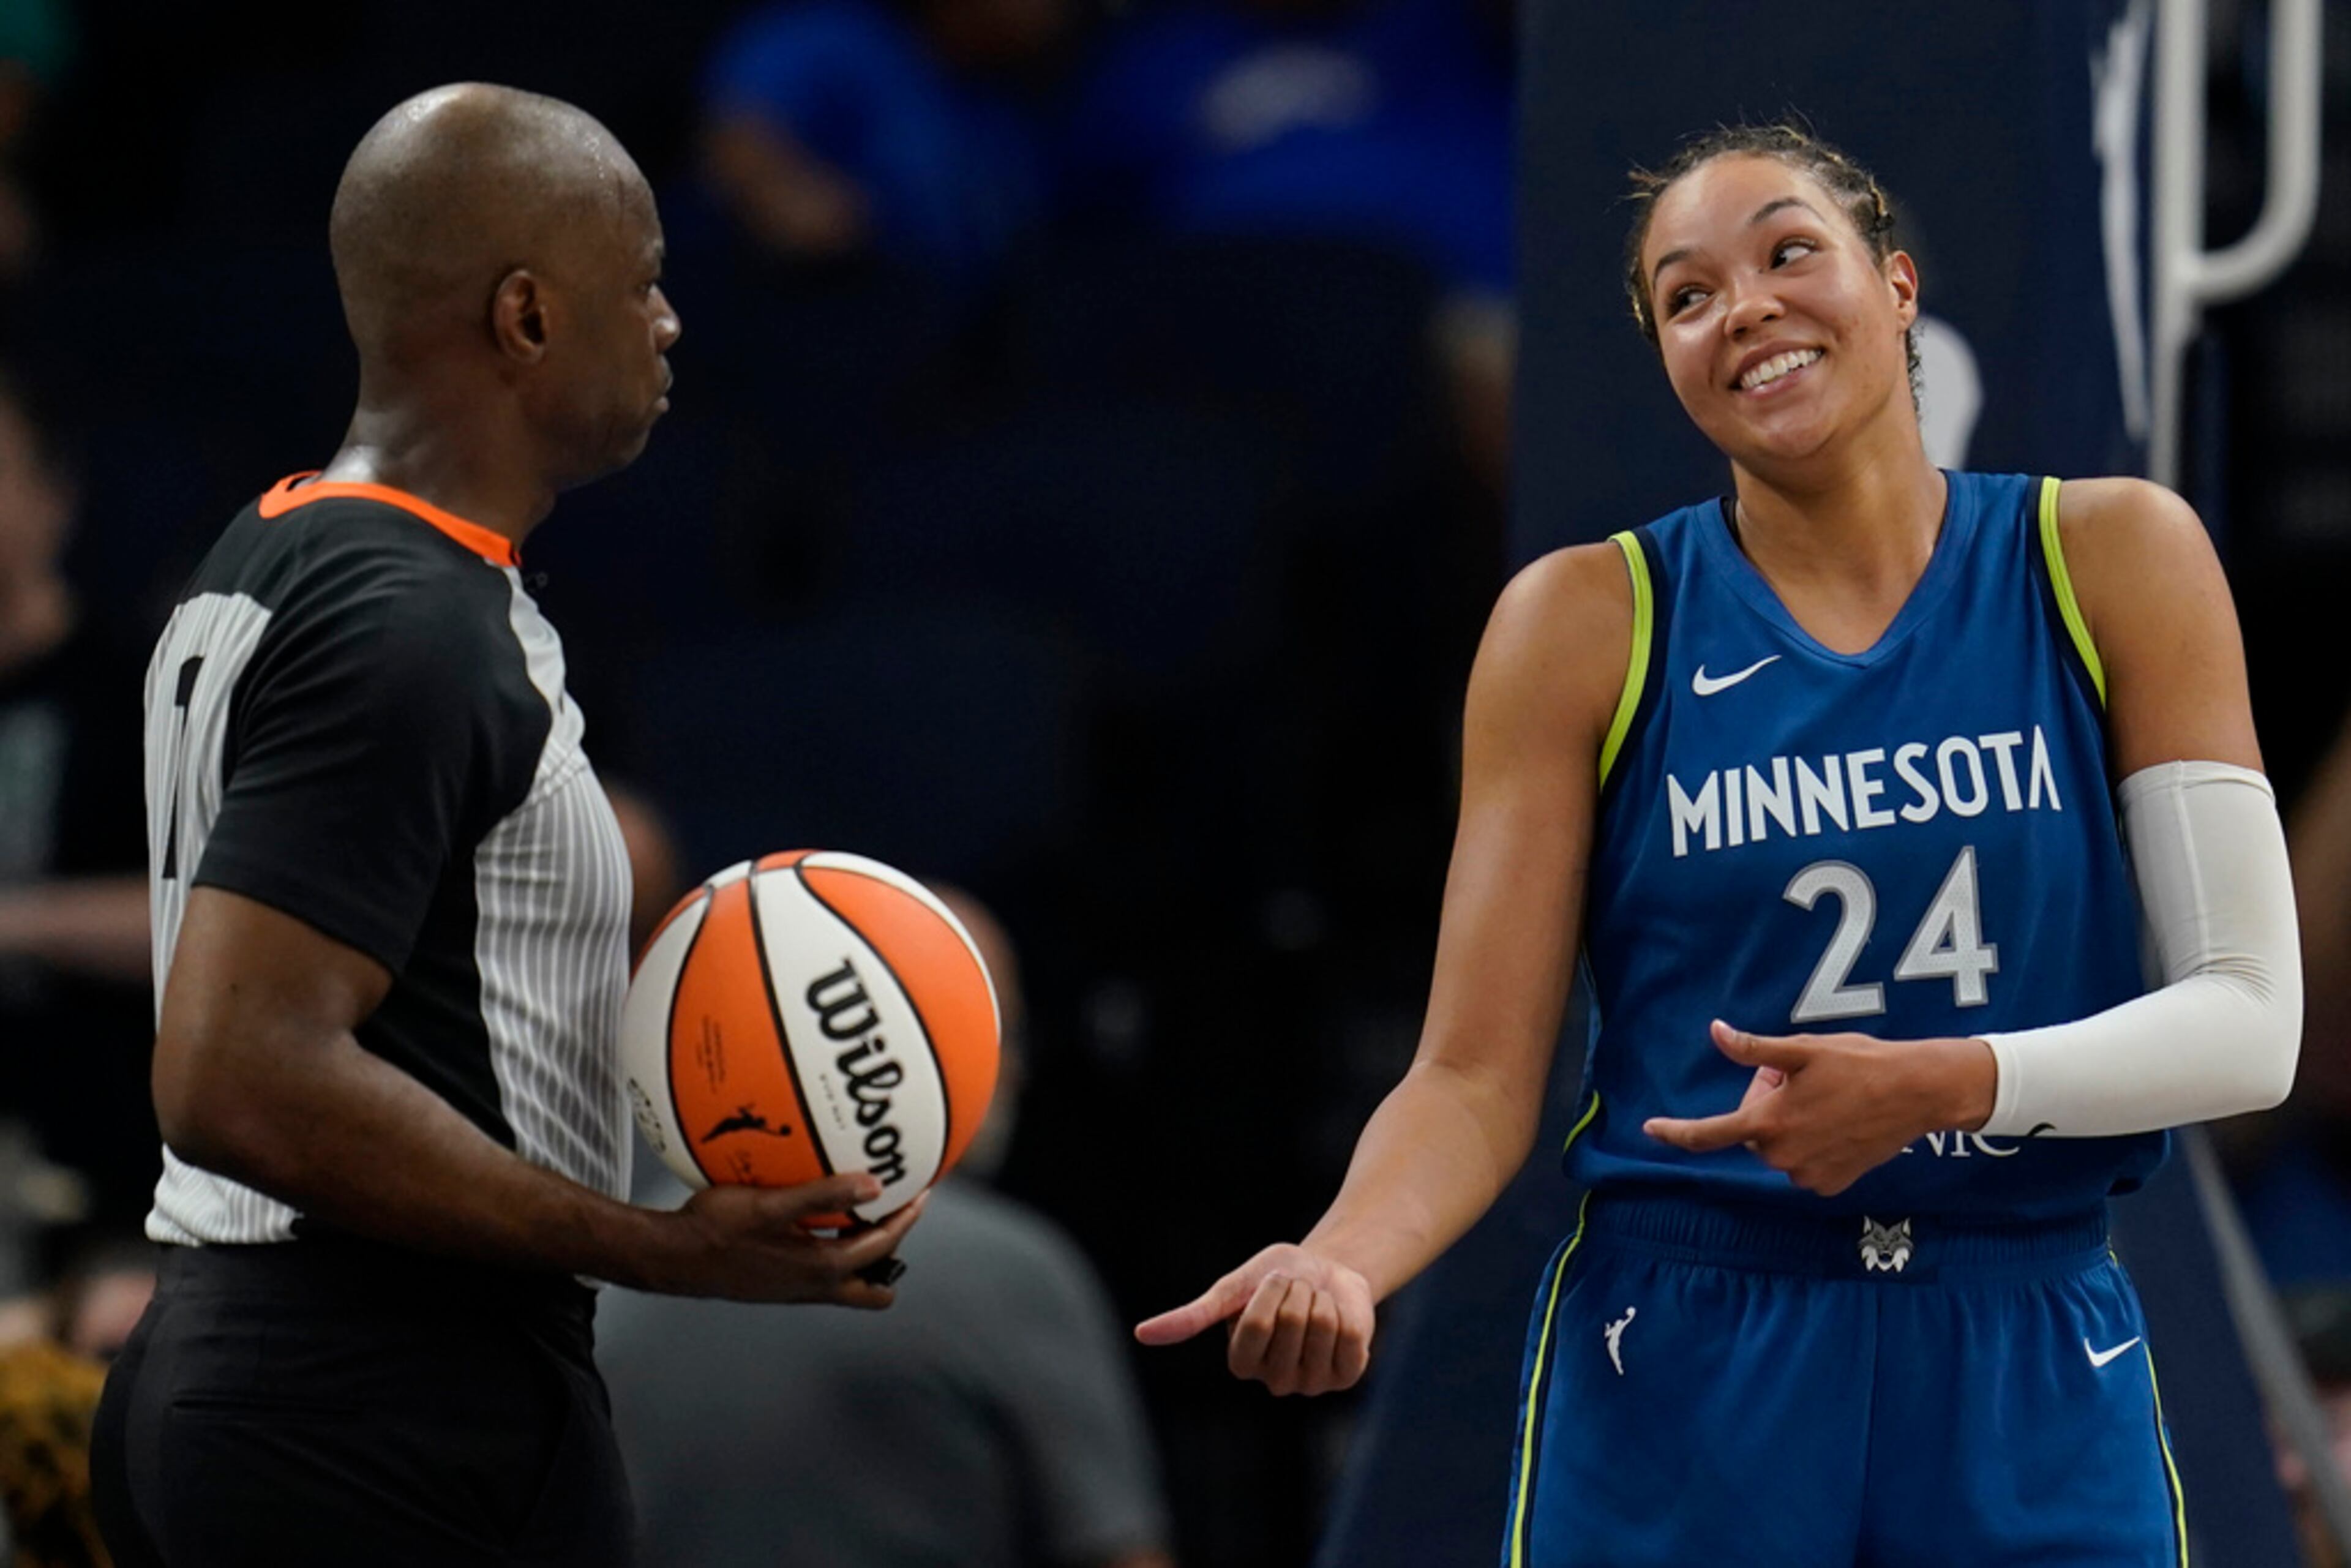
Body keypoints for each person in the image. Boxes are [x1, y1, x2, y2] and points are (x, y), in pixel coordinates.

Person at [1137, 122, 2302, 1566]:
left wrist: (1942, 1080)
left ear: (1895, 286)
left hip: (2022, 1327)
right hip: (1692, 1340)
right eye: (1685, 296)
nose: (1740, 304)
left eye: (1785, 252)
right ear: (1672, 367)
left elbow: (2251, 1021)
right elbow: (1469, 1073)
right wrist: (1340, 1254)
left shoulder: (2110, 554)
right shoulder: (1582, 621)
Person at [88, 83, 924, 1568]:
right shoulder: (405, 621)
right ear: (528, 316)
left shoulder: (282, 547)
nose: (669, 320)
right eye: (644, 278)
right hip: (372, 1403)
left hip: (277, 1372)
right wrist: (662, 1244)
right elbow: (231, 1069)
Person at [601, 888, 1176, 1568]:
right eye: (998, 1035)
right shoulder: (1014, 1272)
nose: (1018, 1069)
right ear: (906, 1052)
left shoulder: (616, 1269)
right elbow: (1121, 1554)